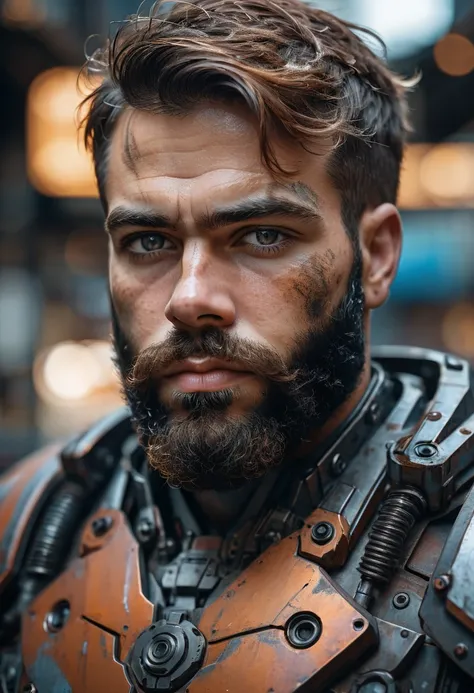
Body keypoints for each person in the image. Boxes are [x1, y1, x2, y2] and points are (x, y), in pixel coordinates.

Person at [1, 0, 473, 691]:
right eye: (149, 242)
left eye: (261, 236)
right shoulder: (26, 522)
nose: (190, 298)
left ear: (375, 256)